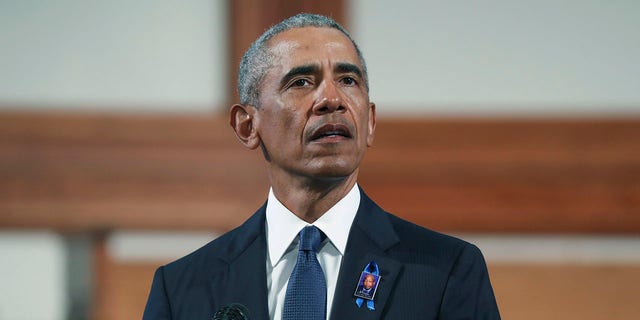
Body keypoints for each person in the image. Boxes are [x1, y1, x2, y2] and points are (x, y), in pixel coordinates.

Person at [143, 13, 500, 319]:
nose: (332, 99)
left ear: (370, 122)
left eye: (348, 80)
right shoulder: (182, 289)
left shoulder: (446, 272)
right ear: (247, 126)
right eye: (301, 82)